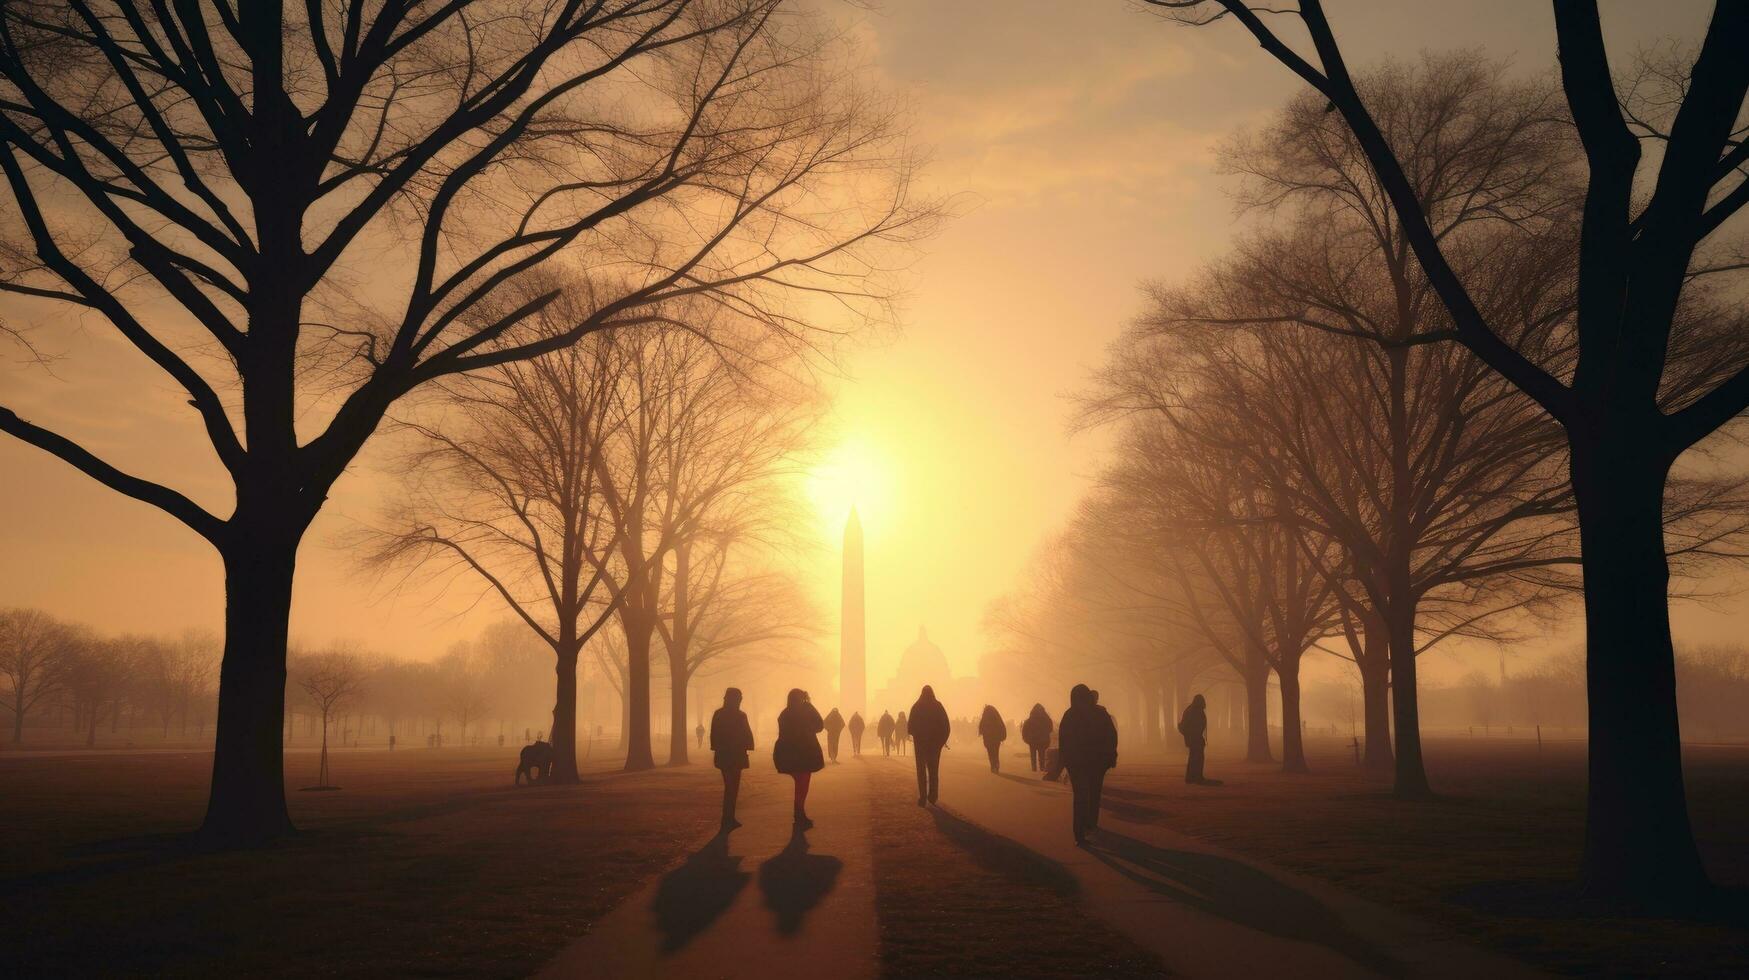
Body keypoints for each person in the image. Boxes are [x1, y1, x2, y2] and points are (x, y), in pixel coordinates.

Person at [1059, 683, 1118, 846]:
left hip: (1077, 763)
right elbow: (1111, 737)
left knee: (1080, 797)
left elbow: (1064, 742)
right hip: (1097, 762)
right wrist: (1110, 756)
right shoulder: (1100, 713)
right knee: (1094, 794)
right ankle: (1091, 824)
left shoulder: (1070, 715)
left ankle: (1079, 833)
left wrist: (1064, 762)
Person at [774, 688, 825, 828]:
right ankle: (799, 813)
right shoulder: (806, 710)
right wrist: (808, 704)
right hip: (805, 752)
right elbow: (820, 725)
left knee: (799, 783)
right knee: (802, 784)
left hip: (788, 752)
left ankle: (799, 813)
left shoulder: (784, 714)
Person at [710, 688, 755, 832]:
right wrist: (748, 745)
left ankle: (728, 817)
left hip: (723, 755)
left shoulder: (718, 714)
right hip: (736, 755)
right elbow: (746, 733)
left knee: (729, 786)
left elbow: (714, 734)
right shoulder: (740, 715)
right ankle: (728, 818)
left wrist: (717, 748)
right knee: (732, 787)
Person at [908, 685, 951, 807]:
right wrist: (940, 742)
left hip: (920, 745)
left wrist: (918, 734)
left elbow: (910, 727)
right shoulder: (938, 706)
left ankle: (922, 797)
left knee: (921, 771)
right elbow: (946, 727)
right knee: (933, 770)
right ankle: (933, 796)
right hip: (934, 746)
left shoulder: (916, 707)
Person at [1179, 693, 1214, 785]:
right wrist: (1195, 735)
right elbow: (1193, 725)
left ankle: (1193, 777)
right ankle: (1195, 777)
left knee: (1194, 758)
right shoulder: (1194, 711)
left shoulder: (1191, 710)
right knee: (1197, 758)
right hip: (1195, 739)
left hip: (1195, 738)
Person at [1020, 703, 1053, 772]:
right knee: (1042, 756)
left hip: (1032, 741)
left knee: (1033, 756)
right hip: (1042, 741)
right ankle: (1042, 768)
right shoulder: (1046, 719)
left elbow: (1024, 731)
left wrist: (1026, 739)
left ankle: (1034, 769)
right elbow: (1050, 729)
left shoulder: (1029, 720)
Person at [977, 704, 1007, 773]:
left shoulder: (984, 718)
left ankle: (993, 766)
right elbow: (1002, 727)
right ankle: (996, 765)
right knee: (996, 753)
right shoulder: (997, 718)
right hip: (996, 740)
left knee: (990, 753)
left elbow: (981, 728)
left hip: (988, 740)